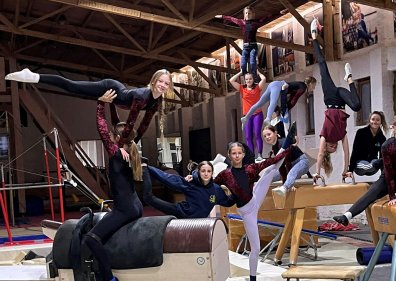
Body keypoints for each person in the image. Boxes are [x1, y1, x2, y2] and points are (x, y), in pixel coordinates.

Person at [213, 124, 296, 281]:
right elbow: (210, 184)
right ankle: (252, 278)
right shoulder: (225, 174)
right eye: (234, 154)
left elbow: (272, 161)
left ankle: (288, 141)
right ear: (229, 156)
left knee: (271, 170)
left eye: (239, 153)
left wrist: (287, 148)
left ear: (243, 154)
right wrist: (193, 179)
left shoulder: (250, 168)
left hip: (255, 197)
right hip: (247, 212)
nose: (237, 156)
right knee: (256, 248)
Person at [5, 68, 173, 143]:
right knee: (73, 86)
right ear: (154, 81)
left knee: (76, 90)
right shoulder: (143, 95)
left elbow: (144, 125)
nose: (163, 85)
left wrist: (134, 142)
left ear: (169, 86)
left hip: (115, 98)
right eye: (160, 81)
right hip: (111, 87)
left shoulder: (155, 102)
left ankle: (34, 77)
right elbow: (131, 121)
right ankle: (33, 76)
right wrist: (122, 145)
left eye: (166, 83)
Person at [81, 96, 144, 281]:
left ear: (116, 138)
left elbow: (101, 128)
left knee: (91, 239)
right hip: (135, 205)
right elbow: (116, 125)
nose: (109, 135)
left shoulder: (117, 153)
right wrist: (113, 103)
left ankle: (109, 278)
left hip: (124, 209)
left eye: (112, 135)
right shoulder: (130, 149)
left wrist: (101, 104)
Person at [310, 18, 361, 180]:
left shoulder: (324, 136)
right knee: (357, 106)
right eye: (334, 147)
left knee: (323, 66)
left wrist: (317, 173)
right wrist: (346, 170)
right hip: (341, 102)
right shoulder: (341, 136)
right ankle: (350, 78)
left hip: (331, 97)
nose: (332, 146)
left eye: (329, 148)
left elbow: (319, 154)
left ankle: (313, 35)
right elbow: (347, 153)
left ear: (326, 148)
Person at [142, 161, 235, 218]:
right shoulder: (191, 183)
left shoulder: (216, 190)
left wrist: (238, 190)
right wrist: (149, 169)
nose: (206, 174)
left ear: (212, 173)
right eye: (203, 171)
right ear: (199, 172)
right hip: (180, 212)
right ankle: (144, 167)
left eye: (209, 171)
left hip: (199, 221)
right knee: (149, 198)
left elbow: (228, 202)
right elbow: (168, 178)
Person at [216, 6, 285, 79]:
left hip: (253, 46)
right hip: (245, 47)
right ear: (244, 15)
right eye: (246, 13)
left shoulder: (256, 22)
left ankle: (254, 78)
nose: (247, 15)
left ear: (253, 14)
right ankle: (246, 77)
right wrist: (222, 16)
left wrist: (279, 13)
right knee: (242, 64)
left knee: (252, 63)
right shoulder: (242, 22)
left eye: (249, 13)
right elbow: (231, 19)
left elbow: (267, 17)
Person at [261, 124, 309, 196]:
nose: (267, 137)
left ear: (275, 133)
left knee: (291, 174)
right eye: (265, 136)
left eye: (269, 134)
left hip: (301, 162)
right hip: (290, 166)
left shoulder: (283, 143)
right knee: (269, 176)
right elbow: (281, 166)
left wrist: (288, 185)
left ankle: (284, 188)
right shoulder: (274, 147)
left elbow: (288, 162)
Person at [230, 69, 267, 161]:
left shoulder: (257, 88)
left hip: (257, 114)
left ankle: (259, 154)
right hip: (247, 116)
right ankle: (251, 156)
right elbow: (231, 80)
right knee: (248, 137)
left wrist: (258, 73)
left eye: (250, 79)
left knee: (257, 134)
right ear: (244, 80)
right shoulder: (242, 89)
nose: (248, 81)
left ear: (253, 79)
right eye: (246, 79)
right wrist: (240, 72)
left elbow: (264, 79)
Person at [348, 111, 388, 176]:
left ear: (381, 122)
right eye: (373, 119)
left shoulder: (382, 138)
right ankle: (371, 165)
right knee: (367, 164)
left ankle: (372, 165)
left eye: (377, 120)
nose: (375, 122)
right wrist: (350, 170)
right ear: (369, 120)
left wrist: (383, 175)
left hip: (372, 167)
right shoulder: (361, 132)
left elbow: (381, 157)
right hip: (359, 165)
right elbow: (355, 151)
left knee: (376, 161)